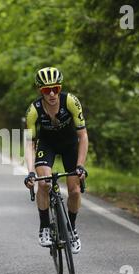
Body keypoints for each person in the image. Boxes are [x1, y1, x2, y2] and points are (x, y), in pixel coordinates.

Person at [24, 67, 89, 253]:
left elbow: (83, 136)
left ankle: (71, 228)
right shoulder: (33, 111)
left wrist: (80, 165)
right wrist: (30, 171)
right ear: (40, 90)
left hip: (70, 144)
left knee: (75, 190)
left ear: (60, 88)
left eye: (56, 88)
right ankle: (44, 226)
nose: (52, 93)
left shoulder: (71, 101)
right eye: (46, 90)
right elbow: (30, 144)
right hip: (47, 145)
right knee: (43, 183)